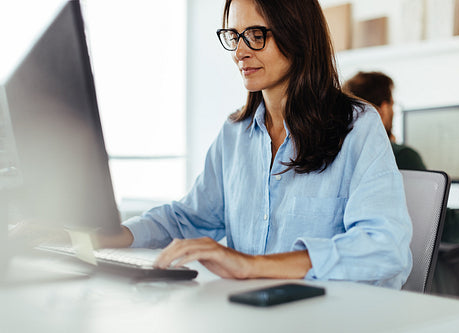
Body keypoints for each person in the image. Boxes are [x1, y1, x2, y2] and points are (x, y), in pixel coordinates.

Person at [98, 0, 412, 287]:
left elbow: (383, 247)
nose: (240, 52)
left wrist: (251, 265)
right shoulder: (234, 133)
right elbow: (188, 218)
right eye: (235, 36)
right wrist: (110, 236)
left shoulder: (357, 125)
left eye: (257, 35)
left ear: (298, 36)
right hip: (250, 313)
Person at [343, 71, 459, 297]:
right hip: (406, 284)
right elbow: (442, 224)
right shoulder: (400, 155)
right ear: (383, 109)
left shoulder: (341, 153)